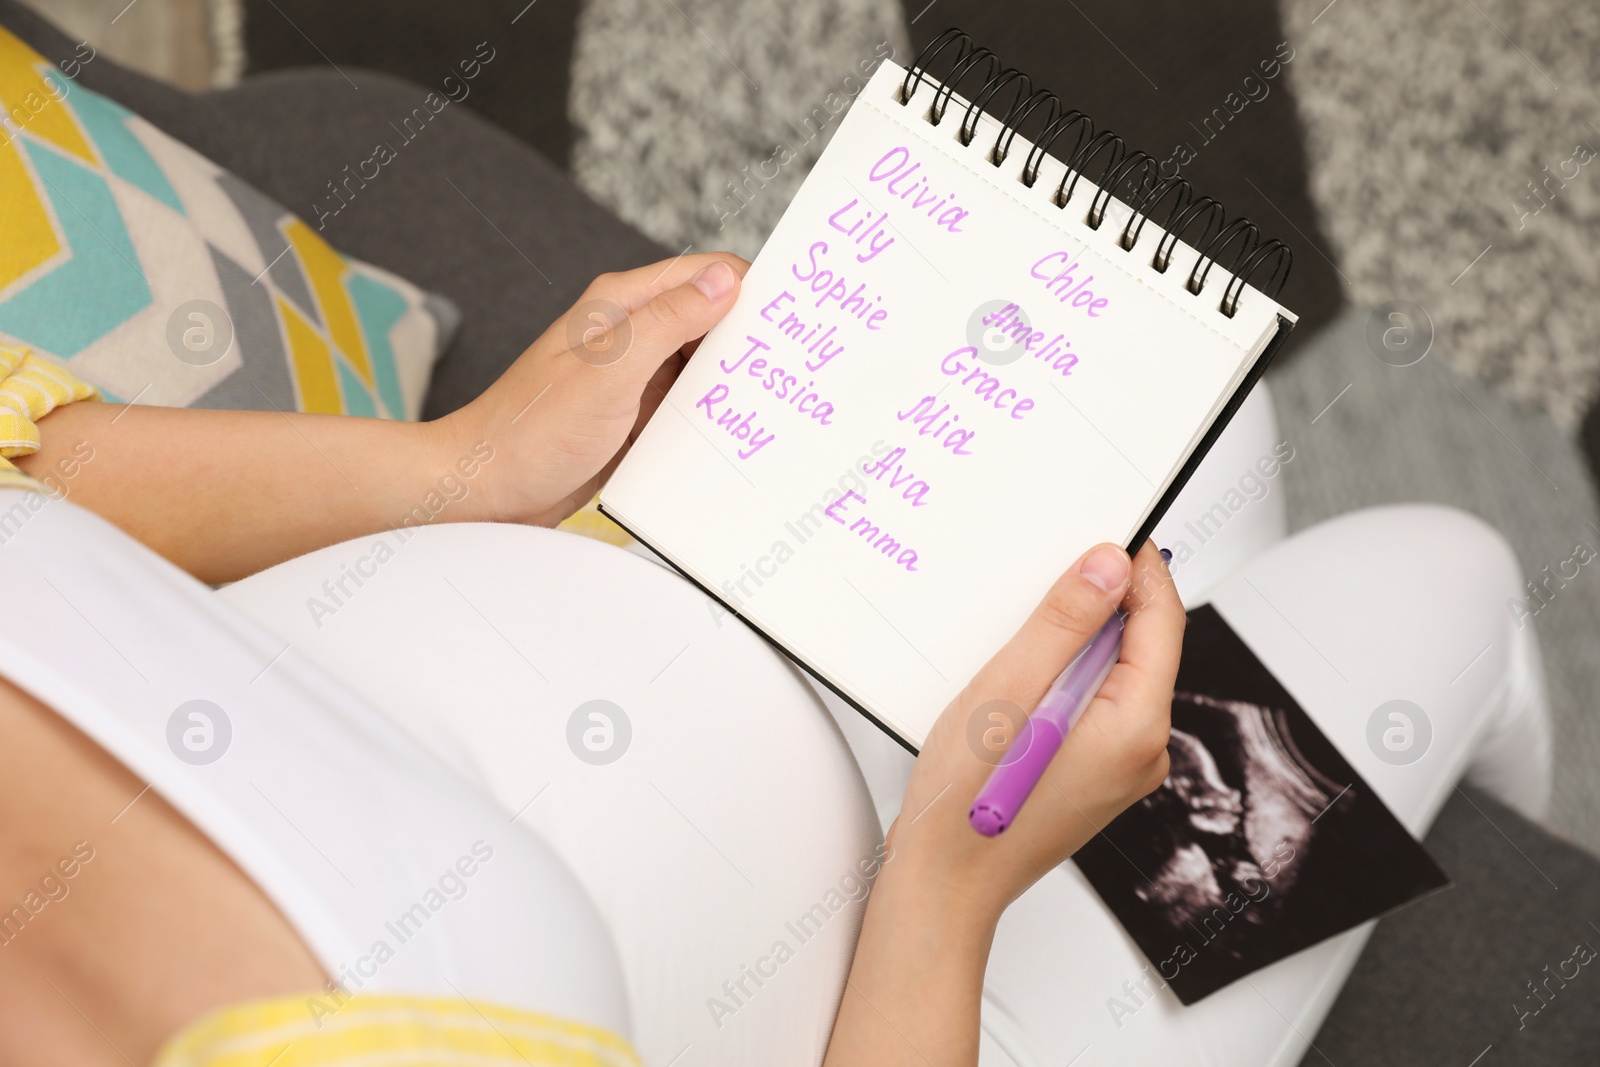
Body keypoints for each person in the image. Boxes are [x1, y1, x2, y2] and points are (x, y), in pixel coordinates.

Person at [0, 252, 1187, 1067]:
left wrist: (458, 466)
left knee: (1167, 426)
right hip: (899, 972)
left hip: (787, 626)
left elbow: (28, 458)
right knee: (1365, 587)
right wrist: (946, 896)